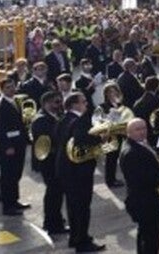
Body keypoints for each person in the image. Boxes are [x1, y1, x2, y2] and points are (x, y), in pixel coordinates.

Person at [58, 92, 106, 252]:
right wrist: (101, 138)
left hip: (67, 170)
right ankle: (82, 242)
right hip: (78, 171)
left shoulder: (64, 119)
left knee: (73, 206)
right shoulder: (79, 122)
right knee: (82, 206)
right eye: (83, 102)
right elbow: (81, 139)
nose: (86, 104)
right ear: (74, 105)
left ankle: (75, 237)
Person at [120, 118, 159, 254]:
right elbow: (145, 179)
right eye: (138, 129)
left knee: (145, 236)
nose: (142, 132)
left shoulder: (139, 144)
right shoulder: (131, 153)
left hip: (146, 199)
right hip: (144, 202)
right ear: (128, 132)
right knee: (151, 238)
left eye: (144, 128)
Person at [30, 91, 68, 236]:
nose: (60, 105)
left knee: (56, 193)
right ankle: (53, 224)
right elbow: (49, 141)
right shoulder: (41, 120)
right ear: (47, 104)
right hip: (49, 163)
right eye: (56, 102)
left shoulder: (55, 116)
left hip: (55, 161)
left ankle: (55, 220)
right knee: (54, 193)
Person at [0, 78, 31, 215]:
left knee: (16, 174)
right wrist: (7, 146)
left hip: (18, 143)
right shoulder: (1, 106)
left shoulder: (15, 101)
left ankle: (14, 200)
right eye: (8, 88)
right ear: (2, 90)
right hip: (9, 147)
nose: (11, 89)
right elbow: (0, 129)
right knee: (8, 176)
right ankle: (7, 206)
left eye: (12, 86)